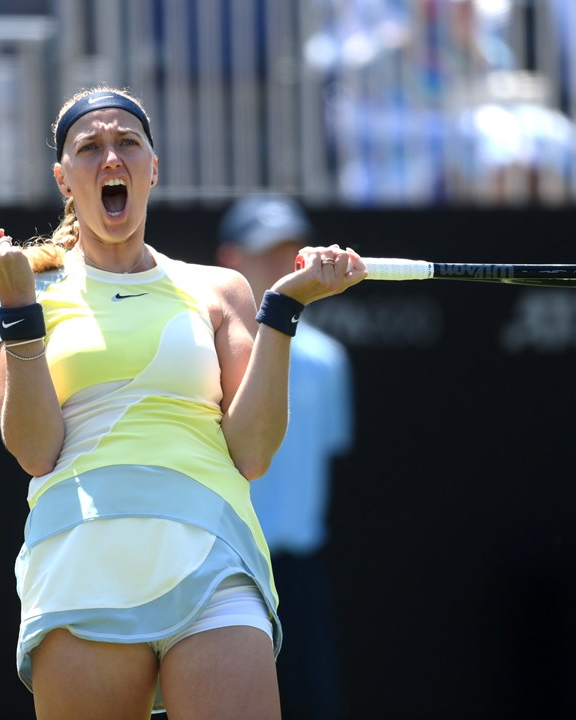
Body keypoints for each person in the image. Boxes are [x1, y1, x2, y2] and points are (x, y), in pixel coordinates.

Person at [0, 84, 366, 719]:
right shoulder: (23, 287)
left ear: (153, 169)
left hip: (214, 558)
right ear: (63, 178)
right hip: (82, 563)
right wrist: (18, 311)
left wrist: (284, 308)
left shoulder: (221, 289)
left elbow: (253, 451)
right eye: (89, 147)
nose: (111, 159)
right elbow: (35, 450)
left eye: (127, 143)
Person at [215, 194, 354, 720]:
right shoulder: (204, 352)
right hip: (225, 569)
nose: (281, 266)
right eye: (265, 253)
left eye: (289, 252)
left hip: (298, 573)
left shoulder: (328, 361)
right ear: (232, 260)